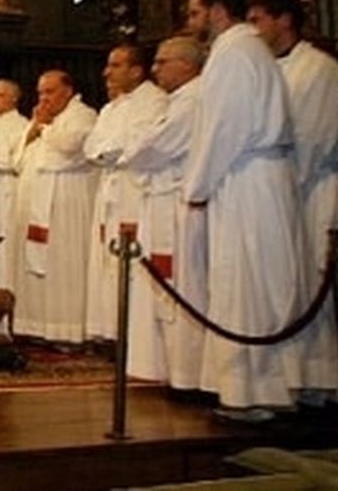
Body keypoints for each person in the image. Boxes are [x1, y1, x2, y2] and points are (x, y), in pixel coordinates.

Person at [248, 0, 338, 406]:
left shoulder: (319, 69)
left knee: (331, 288)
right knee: (298, 290)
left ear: (285, 20)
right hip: (286, 194)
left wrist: (281, 182)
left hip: (317, 191)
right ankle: (306, 381)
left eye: (258, 20)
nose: (252, 31)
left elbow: (315, 136)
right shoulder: (270, 70)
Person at [184, 0, 306, 422]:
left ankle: (253, 394)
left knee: (245, 280)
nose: (191, 23)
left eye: (196, 13)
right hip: (259, 176)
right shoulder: (254, 50)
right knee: (264, 279)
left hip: (246, 180)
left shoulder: (233, 53)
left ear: (218, 12)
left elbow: (224, 128)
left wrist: (195, 188)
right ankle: (273, 387)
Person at [119, 35, 208, 388]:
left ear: (186, 64)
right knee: (163, 283)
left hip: (176, 200)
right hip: (161, 197)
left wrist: (133, 152)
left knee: (180, 284)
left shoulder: (193, 99)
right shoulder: (178, 100)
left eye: (161, 62)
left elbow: (151, 147)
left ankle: (189, 373)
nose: (154, 69)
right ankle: (172, 368)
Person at [83, 45, 168, 341]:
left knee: (133, 263)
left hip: (135, 190)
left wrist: (112, 153)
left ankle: (138, 336)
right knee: (108, 262)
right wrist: (110, 153)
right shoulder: (110, 108)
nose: (107, 72)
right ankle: (114, 331)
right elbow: (91, 147)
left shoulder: (155, 101)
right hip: (110, 189)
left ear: (136, 70)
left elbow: (140, 144)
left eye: (116, 65)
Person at [11, 70, 99, 343]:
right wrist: (36, 128)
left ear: (68, 91)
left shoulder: (82, 115)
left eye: (49, 92)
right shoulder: (42, 119)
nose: (43, 99)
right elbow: (19, 160)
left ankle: (65, 330)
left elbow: (71, 147)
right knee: (34, 268)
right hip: (36, 202)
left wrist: (44, 128)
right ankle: (34, 326)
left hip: (65, 205)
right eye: (40, 93)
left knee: (62, 265)